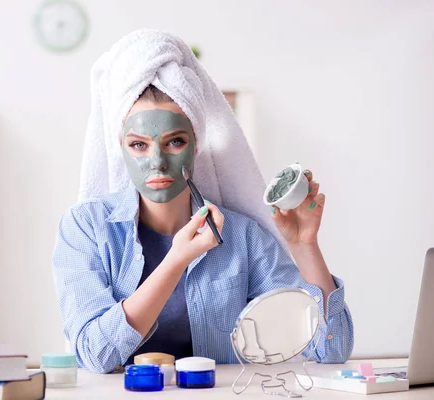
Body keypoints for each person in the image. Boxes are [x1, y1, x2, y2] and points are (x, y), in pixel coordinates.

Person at [52, 30, 353, 374]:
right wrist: (177, 259)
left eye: (175, 141)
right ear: (120, 147)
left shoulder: (241, 237)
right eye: (138, 145)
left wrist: (304, 245)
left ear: (196, 145)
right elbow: (94, 354)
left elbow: (332, 347)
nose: (157, 161)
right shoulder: (85, 228)